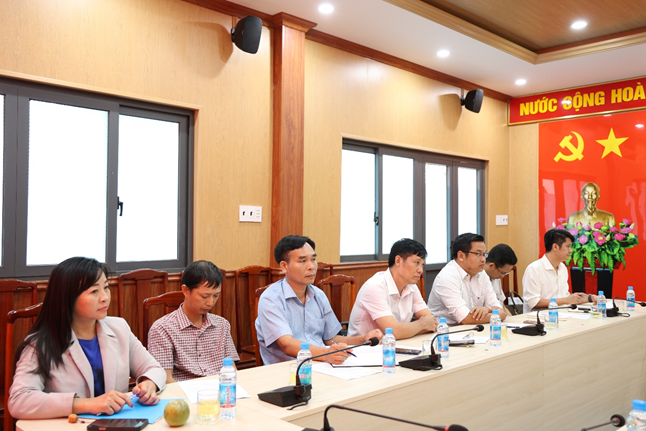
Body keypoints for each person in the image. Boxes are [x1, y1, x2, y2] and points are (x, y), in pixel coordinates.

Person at [8, 257, 166, 419]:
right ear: (68, 296)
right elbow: (19, 400)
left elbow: (154, 368)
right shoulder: (40, 343)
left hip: (118, 424)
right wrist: (87, 404)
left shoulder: (119, 328)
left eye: (106, 287)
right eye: (94, 291)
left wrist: (149, 383)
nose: (105, 297)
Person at [256, 235, 383, 365]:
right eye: (302, 261)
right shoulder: (270, 299)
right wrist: (326, 354)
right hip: (288, 369)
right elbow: (287, 345)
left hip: (321, 364)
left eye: (313, 259)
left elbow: (331, 338)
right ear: (284, 266)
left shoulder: (318, 295)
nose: (311, 266)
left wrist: (363, 339)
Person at [147, 260, 239, 383]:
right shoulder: (162, 329)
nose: (210, 303)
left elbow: (231, 369)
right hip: (184, 392)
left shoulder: (222, 325)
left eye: (216, 296)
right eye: (204, 296)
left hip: (222, 389)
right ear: (186, 290)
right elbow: (166, 379)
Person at [347, 238, 437, 339]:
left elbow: (431, 324)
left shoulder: (411, 287)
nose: (421, 270)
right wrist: (421, 324)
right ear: (398, 261)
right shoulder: (375, 287)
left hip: (397, 344)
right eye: (417, 263)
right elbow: (393, 332)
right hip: (366, 347)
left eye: (422, 264)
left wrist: (411, 329)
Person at [427, 233, 506, 326]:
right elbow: (465, 319)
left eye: (484, 254)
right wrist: (496, 315)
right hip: (446, 331)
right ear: (461, 256)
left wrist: (487, 309)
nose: (483, 260)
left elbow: (500, 309)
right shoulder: (447, 277)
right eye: (478, 254)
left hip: (473, 330)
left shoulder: (481, 273)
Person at [523, 229, 596, 310]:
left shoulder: (562, 268)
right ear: (555, 247)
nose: (571, 251)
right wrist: (565, 300)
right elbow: (533, 302)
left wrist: (587, 298)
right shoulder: (534, 269)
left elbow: (563, 297)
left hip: (562, 314)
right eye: (568, 246)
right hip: (539, 316)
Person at [483, 244, 518, 316]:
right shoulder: (478, 278)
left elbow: (502, 306)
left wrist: (512, 319)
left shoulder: (495, 277)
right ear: (491, 265)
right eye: (502, 273)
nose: (502, 276)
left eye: (506, 273)